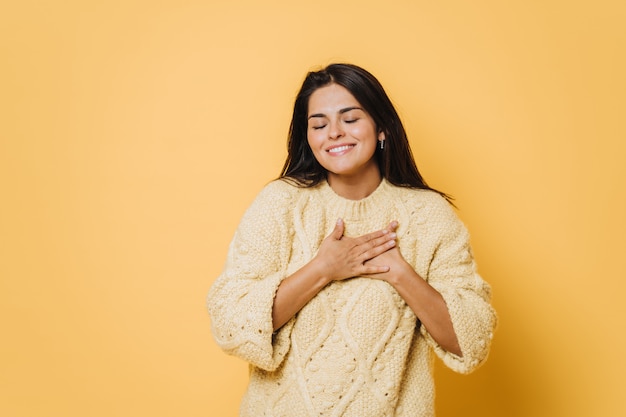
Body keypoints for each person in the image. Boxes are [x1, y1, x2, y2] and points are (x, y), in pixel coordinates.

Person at [207, 63, 497, 417]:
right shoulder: (281, 204)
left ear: (382, 129)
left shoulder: (429, 215)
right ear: (307, 136)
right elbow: (230, 322)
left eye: (350, 119)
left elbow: (470, 341)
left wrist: (401, 274)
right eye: (319, 124)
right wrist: (323, 268)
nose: (333, 133)